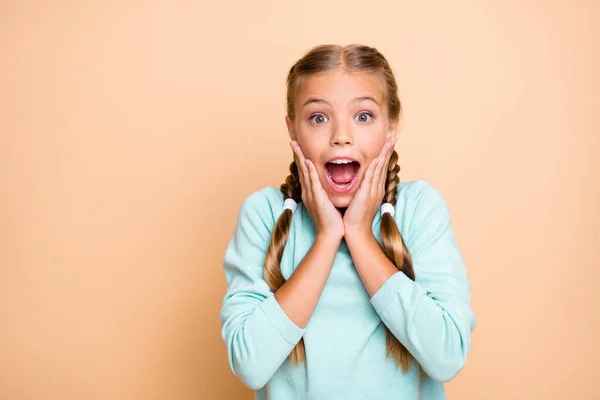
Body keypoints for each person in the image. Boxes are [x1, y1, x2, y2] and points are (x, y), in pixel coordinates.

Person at [219, 44, 476, 400]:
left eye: (364, 116)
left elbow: (447, 356)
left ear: (391, 127)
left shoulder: (419, 209)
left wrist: (359, 234)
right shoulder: (263, 214)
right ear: (292, 131)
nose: (341, 135)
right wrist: (327, 237)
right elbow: (250, 365)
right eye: (318, 118)